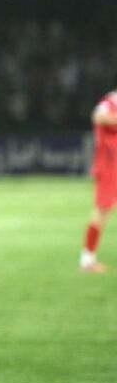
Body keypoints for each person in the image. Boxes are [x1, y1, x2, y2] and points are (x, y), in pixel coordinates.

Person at [80, 89, 117, 273]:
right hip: (108, 164)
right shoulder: (111, 101)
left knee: (103, 211)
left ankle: (88, 259)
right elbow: (98, 116)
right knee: (101, 211)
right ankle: (87, 260)